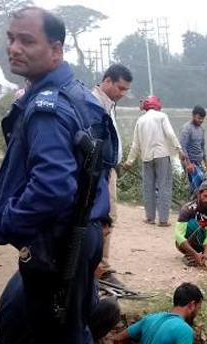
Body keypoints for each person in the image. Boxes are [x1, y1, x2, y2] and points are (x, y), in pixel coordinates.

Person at [0, 7, 117, 344]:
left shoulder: (48, 106)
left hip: (58, 243)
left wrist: (8, 223)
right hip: (82, 233)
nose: (15, 48)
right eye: (12, 38)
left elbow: (53, 186)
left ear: (56, 49)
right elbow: (102, 161)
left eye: (27, 41)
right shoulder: (79, 95)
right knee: (73, 334)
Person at [0, 215, 121, 344]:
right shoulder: (75, 266)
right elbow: (89, 309)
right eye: (103, 236)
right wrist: (92, 277)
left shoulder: (48, 250)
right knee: (111, 308)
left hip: (5, 341)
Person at [91, 64, 133, 281]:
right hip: (99, 172)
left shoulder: (108, 103)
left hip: (109, 170)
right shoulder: (93, 103)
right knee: (102, 218)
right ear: (107, 81)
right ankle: (98, 267)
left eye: (126, 90)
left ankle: (101, 265)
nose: (123, 94)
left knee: (109, 218)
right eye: (120, 88)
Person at [122, 96, 185, 226]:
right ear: (157, 106)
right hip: (162, 155)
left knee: (148, 188)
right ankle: (163, 220)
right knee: (164, 187)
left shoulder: (140, 120)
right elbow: (170, 134)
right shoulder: (162, 116)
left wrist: (129, 162)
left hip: (146, 157)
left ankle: (150, 218)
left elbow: (135, 145)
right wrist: (179, 149)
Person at [179, 106, 207, 195]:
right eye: (199, 118)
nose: (201, 121)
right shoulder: (187, 129)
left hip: (198, 161)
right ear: (193, 116)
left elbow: (202, 147)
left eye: (202, 119)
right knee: (200, 182)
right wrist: (188, 164)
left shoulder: (201, 130)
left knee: (198, 185)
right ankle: (192, 203)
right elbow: (182, 147)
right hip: (189, 161)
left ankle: (191, 202)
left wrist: (206, 162)